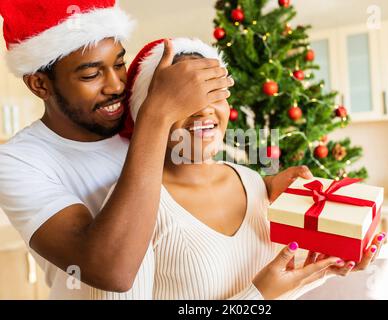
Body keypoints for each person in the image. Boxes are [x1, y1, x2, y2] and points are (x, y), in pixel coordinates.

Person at [91, 38, 386, 300]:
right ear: (150, 112)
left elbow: (276, 291)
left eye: (215, 94)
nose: (206, 110)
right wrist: (258, 296)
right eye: (186, 99)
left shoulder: (251, 181)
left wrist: (325, 269)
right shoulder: (130, 208)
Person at [0, 0, 234, 299]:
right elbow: (112, 271)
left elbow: (200, 183)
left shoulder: (138, 116)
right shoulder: (19, 161)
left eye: (119, 64)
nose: (116, 85)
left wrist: (261, 188)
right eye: (90, 75)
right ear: (39, 84)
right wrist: (156, 115)